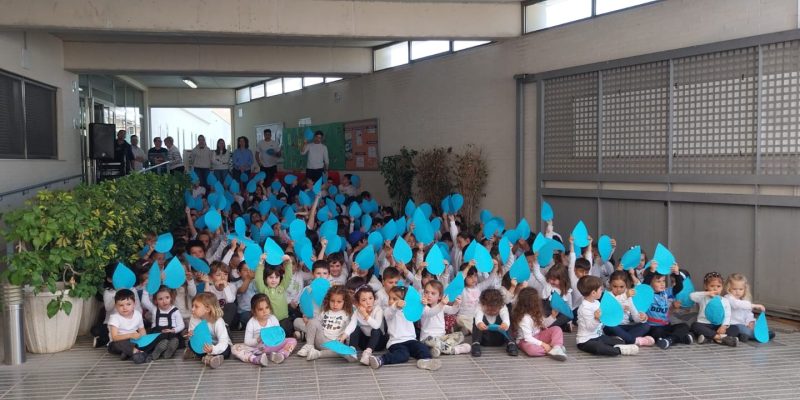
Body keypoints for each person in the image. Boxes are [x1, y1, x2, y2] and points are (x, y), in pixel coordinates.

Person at [367, 286, 441, 371]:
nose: (391, 301)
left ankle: (426, 361)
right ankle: (381, 359)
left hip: (411, 340)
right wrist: (396, 305)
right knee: (403, 355)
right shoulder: (388, 311)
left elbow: (424, 313)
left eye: (394, 299)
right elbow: (391, 312)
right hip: (396, 342)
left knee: (421, 347)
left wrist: (423, 305)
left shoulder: (410, 310)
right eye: (390, 298)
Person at [575, 275, 639, 356]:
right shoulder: (584, 308)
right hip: (586, 341)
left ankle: (618, 345)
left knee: (620, 341)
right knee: (599, 348)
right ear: (593, 293)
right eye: (600, 289)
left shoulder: (596, 303)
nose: (602, 291)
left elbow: (607, 312)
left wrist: (620, 308)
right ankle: (619, 350)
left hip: (598, 336)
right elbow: (590, 328)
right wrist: (596, 319)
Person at [296, 285, 358, 362]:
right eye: (332, 301)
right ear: (328, 300)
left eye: (339, 302)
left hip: (335, 343)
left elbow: (349, 329)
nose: (335, 304)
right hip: (321, 339)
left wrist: (345, 342)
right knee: (313, 321)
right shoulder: (325, 312)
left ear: (344, 302)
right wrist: (307, 319)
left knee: (342, 352)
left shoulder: (346, 314)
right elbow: (314, 324)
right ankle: (309, 346)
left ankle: (317, 354)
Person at [232, 294, 297, 366]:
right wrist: (257, 340)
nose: (265, 311)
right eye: (260, 309)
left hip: (273, 346)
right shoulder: (251, 323)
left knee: (292, 341)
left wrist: (276, 338)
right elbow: (247, 341)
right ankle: (255, 359)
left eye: (267, 307)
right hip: (258, 348)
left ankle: (281, 354)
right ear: (254, 311)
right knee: (235, 348)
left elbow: (278, 335)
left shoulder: (273, 319)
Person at [511, 287, 567, 360]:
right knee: (532, 350)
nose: (539, 301)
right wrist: (543, 344)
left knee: (557, 329)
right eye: (537, 300)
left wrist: (553, 316)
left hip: (538, 335)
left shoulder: (535, 312)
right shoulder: (524, 318)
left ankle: (556, 347)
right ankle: (553, 348)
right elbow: (528, 338)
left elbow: (543, 324)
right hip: (524, 341)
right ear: (532, 303)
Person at [420, 280, 470, 357]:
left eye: (433, 293)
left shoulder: (442, 306)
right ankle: (454, 350)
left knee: (459, 335)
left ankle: (437, 350)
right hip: (427, 339)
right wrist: (442, 303)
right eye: (426, 292)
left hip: (442, 337)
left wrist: (456, 304)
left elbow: (452, 311)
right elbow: (430, 313)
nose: (429, 295)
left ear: (440, 296)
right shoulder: (423, 307)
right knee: (433, 341)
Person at [603, 271, 654, 346]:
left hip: (625, 326)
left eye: (621, 287)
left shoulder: (628, 297)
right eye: (615, 286)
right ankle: (635, 341)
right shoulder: (607, 295)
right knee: (610, 326)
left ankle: (620, 340)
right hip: (612, 326)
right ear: (610, 285)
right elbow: (608, 311)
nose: (618, 289)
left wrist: (642, 317)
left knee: (646, 325)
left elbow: (635, 317)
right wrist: (624, 298)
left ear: (626, 285)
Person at [690, 271, 740, 347]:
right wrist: (707, 293)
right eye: (712, 286)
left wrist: (723, 326)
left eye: (718, 286)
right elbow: (691, 296)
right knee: (695, 326)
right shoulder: (703, 298)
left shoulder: (725, 300)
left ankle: (709, 338)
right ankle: (720, 338)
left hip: (719, 326)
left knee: (735, 328)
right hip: (704, 325)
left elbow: (727, 315)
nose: (715, 288)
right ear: (706, 286)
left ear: (722, 287)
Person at [184, 293, 231, 368]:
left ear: (207, 309)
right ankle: (209, 358)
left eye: (196, 307)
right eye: (192, 306)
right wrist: (191, 335)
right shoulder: (194, 318)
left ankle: (206, 357)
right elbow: (193, 336)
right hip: (205, 345)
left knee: (227, 351)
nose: (192, 309)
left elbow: (223, 342)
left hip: (217, 344)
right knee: (190, 343)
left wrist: (213, 349)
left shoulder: (218, 321)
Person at [724, 273, 774, 342]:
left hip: (744, 324)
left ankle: (744, 336)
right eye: (734, 289)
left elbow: (748, 313)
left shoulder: (744, 300)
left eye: (740, 289)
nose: (737, 291)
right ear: (728, 288)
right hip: (733, 324)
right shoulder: (728, 298)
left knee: (754, 326)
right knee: (745, 330)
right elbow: (737, 304)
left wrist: (750, 321)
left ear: (745, 289)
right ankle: (756, 336)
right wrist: (754, 305)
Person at [254, 253, 295, 337]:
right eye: (271, 277)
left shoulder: (282, 287)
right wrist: (261, 262)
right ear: (265, 279)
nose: (274, 280)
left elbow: (288, 276)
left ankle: (293, 334)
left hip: (283, 320)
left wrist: (288, 263)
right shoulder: (263, 290)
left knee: (287, 327)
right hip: (269, 321)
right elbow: (258, 279)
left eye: (276, 277)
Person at [107, 289, 151, 363]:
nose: (125, 307)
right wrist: (130, 335)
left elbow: (141, 329)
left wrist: (144, 340)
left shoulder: (137, 314)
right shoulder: (115, 318)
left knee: (143, 341)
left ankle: (127, 353)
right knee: (121, 344)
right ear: (116, 306)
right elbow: (115, 337)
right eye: (121, 305)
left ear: (134, 304)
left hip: (133, 341)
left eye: (128, 304)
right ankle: (138, 353)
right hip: (117, 343)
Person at [470, 288, 518, 357]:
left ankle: (511, 343)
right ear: (483, 305)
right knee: (476, 321)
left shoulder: (503, 307)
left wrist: (505, 324)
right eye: (488, 310)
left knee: (507, 321)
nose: (491, 312)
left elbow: (506, 318)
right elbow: (478, 317)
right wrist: (479, 323)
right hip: (484, 339)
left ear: (500, 306)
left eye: (494, 311)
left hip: (499, 339)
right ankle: (476, 344)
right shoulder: (479, 306)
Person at [140, 286, 184, 360]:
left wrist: (173, 330)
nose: (164, 301)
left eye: (167, 297)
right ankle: (158, 350)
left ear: (171, 298)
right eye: (160, 299)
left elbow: (181, 325)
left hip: (171, 332)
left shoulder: (175, 311)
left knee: (174, 338)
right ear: (155, 301)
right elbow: (144, 301)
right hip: (158, 332)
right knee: (155, 338)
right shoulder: (154, 309)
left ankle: (168, 349)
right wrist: (146, 287)